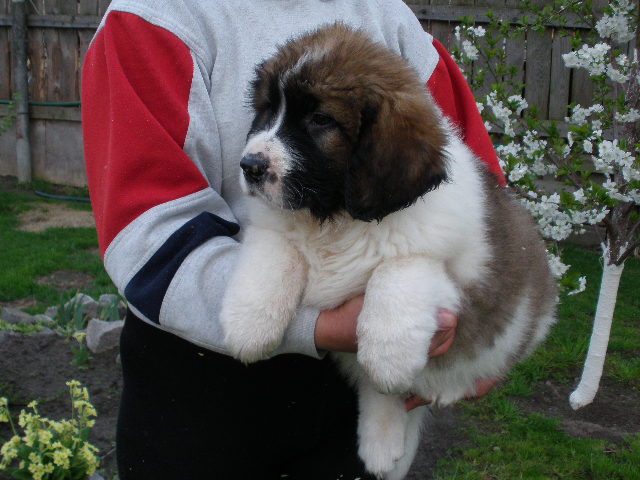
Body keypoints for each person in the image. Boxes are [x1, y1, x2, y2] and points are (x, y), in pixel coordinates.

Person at [82, 1, 504, 478]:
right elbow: (147, 227)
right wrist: (317, 324)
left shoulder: (387, 16)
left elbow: (470, 186)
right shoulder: (153, 17)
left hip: (357, 382)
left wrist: (486, 330)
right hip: (200, 377)